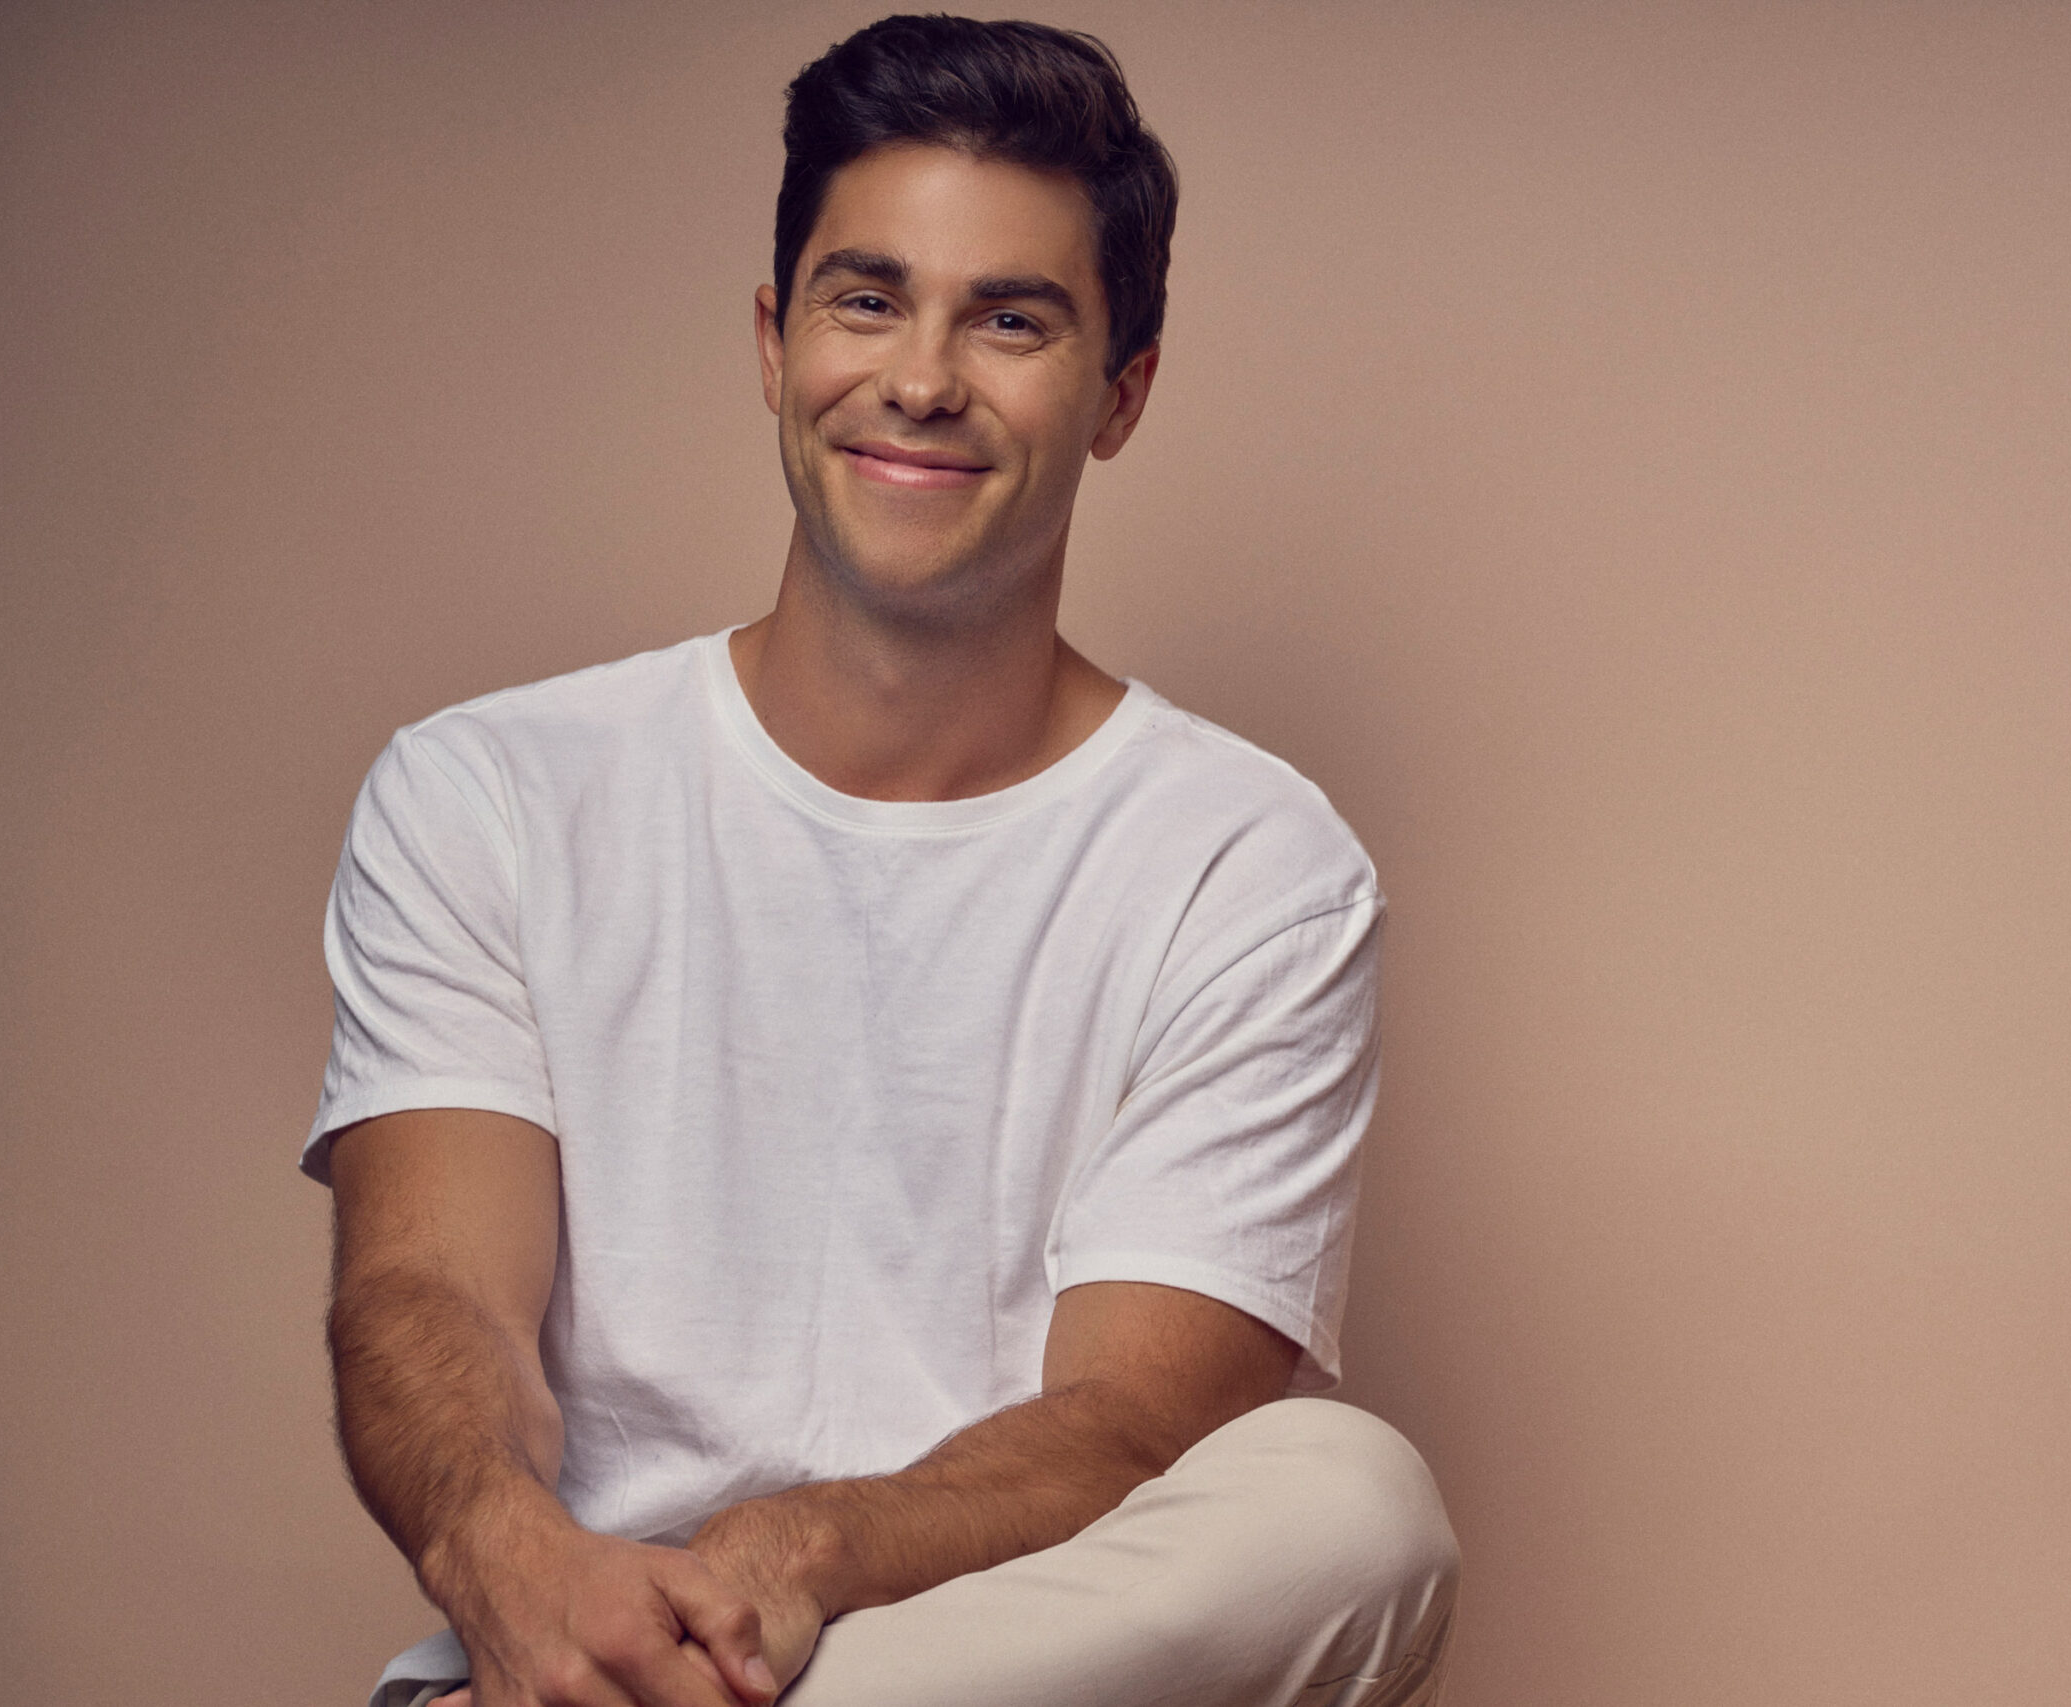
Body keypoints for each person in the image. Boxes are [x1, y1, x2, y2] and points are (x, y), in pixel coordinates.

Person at [306, 16, 1457, 1707]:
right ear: (775, 344)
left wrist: (794, 1555)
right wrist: (518, 1562)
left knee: (1354, 1508)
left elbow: (1132, 1422)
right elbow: (429, 1294)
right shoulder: (486, 792)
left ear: (1121, 393)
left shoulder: (1251, 865)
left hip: (988, 1653)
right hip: (586, 1651)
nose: (922, 378)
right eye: (867, 299)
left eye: (1011, 320)